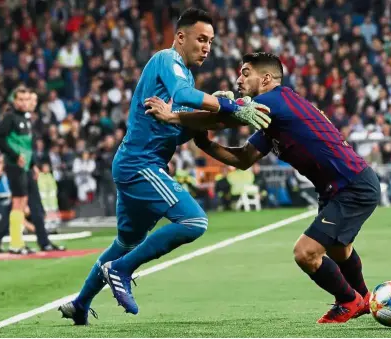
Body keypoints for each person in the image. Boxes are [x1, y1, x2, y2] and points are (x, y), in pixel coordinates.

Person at [58, 8, 271, 325]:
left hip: (135, 165)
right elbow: (184, 96)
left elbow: (183, 129)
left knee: (125, 243)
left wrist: (224, 117)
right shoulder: (166, 61)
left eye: (211, 41)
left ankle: (80, 304)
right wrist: (231, 106)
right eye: (201, 39)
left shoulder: (185, 75)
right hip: (140, 164)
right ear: (180, 37)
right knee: (194, 221)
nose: (207, 47)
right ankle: (121, 269)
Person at [147, 52, 381, 324]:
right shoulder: (274, 117)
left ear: (267, 78)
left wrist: (173, 117)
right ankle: (365, 299)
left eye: (246, 73)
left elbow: (227, 119)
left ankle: (349, 301)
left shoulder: (275, 100)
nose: (239, 79)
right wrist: (206, 145)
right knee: (339, 250)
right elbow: (244, 158)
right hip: (335, 189)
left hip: (352, 185)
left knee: (305, 253)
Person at [0, 86, 34, 254]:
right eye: (21, 100)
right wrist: (14, 155)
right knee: (18, 202)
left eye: (26, 99)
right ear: (14, 100)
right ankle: (15, 244)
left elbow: (27, 146)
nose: (24, 103)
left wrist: (32, 165)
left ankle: (19, 242)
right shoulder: (10, 117)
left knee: (22, 202)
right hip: (14, 165)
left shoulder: (24, 118)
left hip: (23, 166)